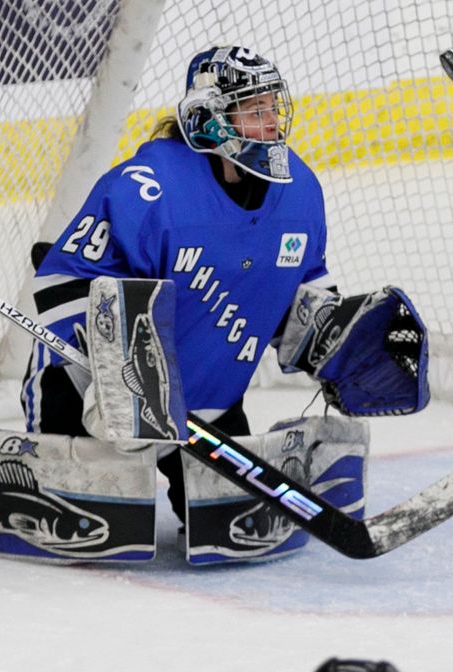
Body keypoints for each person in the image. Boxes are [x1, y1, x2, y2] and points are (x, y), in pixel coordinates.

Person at [22, 45, 335, 520]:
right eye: (254, 110)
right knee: (92, 526)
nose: (272, 122)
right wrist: (112, 380)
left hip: (209, 408)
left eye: (272, 106)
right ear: (210, 118)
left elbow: (297, 302)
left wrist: (338, 346)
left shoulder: (301, 192)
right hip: (94, 401)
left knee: (234, 527)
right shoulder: (147, 187)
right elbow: (60, 283)